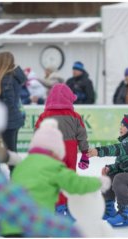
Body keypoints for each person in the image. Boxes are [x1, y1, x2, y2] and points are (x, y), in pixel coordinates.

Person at [0, 80, 81, 238]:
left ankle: (61, 206)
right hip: (68, 152)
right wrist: (76, 233)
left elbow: (37, 131)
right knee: (65, 178)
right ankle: (63, 206)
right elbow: (24, 215)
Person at [0, 118, 111, 237]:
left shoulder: (23, 165)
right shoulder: (53, 166)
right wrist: (99, 182)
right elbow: (75, 183)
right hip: (36, 224)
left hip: (9, 225)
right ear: (56, 150)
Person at [35, 83, 91, 218]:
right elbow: (82, 135)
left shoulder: (45, 115)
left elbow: (38, 133)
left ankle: (58, 207)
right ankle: (71, 208)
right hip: (70, 149)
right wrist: (84, 153)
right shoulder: (75, 116)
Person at [0, 52, 26, 161]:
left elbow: (8, 101)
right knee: (11, 151)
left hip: (8, 121)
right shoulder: (12, 77)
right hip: (13, 119)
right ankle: (14, 174)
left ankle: (14, 175)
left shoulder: (6, 79)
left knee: (10, 152)